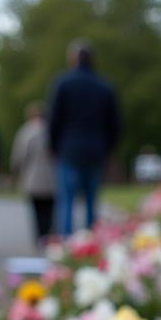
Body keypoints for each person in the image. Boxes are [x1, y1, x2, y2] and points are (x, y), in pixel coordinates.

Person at [47, 41, 120, 236]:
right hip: (96, 150)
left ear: (73, 59)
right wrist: (108, 149)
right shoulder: (104, 86)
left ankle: (67, 245)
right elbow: (114, 123)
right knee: (91, 202)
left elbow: (54, 119)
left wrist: (53, 146)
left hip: (69, 149)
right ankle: (90, 244)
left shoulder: (63, 83)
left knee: (67, 202)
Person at [10, 101, 56, 245]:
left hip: (33, 177)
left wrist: (16, 170)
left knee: (37, 211)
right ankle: (48, 235)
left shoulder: (26, 132)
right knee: (50, 210)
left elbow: (19, 155)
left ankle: (40, 237)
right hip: (52, 178)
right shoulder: (52, 130)